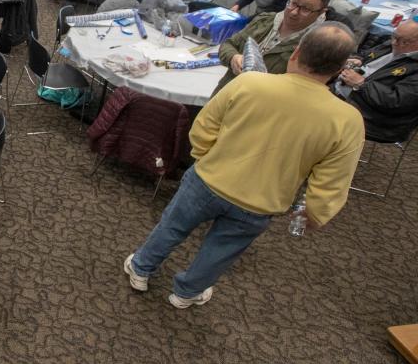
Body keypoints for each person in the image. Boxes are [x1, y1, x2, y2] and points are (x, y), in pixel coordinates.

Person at [124, 23, 364, 308]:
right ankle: (186, 293)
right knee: (220, 250)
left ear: (296, 53)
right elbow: (332, 181)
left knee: (173, 226)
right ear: (339, 70)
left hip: (209, 179)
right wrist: (313, 215)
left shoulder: (250, 82)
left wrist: (206, 157)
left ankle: (141, 269)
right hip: (262, 203)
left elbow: (204, 126)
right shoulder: (347, 120)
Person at [216, 0, 333, 93]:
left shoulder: (316, 45)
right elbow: (228, 44)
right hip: (225, 92)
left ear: (322, 12)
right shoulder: (264, 19)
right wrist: (233, 57)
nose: (293, 12)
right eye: (293, 3)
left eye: (305, 9)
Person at [334, 19, 418, 143]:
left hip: (376, 118)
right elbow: (366, 55)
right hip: (345, 92)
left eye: (403, 41)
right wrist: (358, 60)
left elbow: (396, 101)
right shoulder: (392, 43)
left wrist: (361, 84)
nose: (394, 42)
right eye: (394, 36)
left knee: (319, 114)